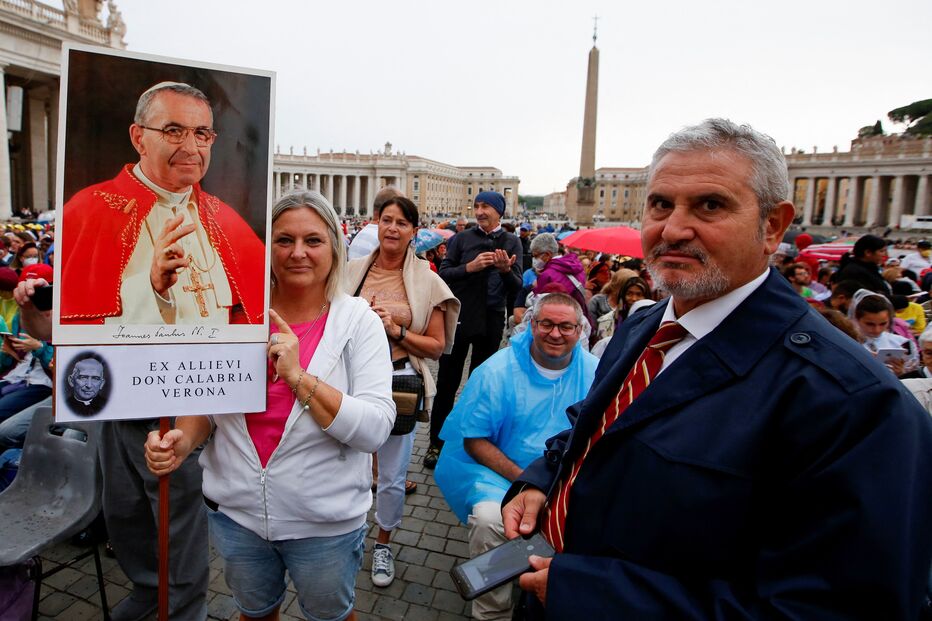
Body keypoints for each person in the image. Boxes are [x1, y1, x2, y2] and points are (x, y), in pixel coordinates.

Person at [502, 118, 932, 619]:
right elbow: (590, 428)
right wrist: (539, 480)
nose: (674, 228)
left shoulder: (858, 405)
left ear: (772, 226)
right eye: (661, 204)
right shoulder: (643, 326)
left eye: (710, 205)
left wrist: (592, 594)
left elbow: (839, 609)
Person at [146, 190, 395, 621]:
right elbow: (207, 406)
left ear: (334, 247)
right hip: (238, 515)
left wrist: (299, 379)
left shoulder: (358, 320)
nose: (298, 253)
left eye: (313, 241)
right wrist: (181, 442)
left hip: (324, 523)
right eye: (284, 240)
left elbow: (374, 430)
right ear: (266, 247)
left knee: (331, 617)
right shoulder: (233, 314)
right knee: (254, 613)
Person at [435, 293, 597, 620]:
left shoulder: (597, 373)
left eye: (566, 326)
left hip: (566, 477)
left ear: (581, 330)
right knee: (490, 519)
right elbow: (474, 441)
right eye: (546, 324)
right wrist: (526, 482)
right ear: (531, 324)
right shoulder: (497, 370)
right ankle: (493, 612)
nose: (555, 333)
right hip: (502, 476)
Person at [59, 81, 265, 325]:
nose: (190, 148)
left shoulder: (226, 219)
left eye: (201, 133)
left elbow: (250, 317)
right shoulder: (86, 211)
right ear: (139, 139)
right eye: (173, 131)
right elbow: (67, 328)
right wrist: (153, 285)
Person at [344, 193, 459, 588]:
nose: (392, 228)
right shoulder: (352, 270)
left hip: (398, 381)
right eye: (386, 219)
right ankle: (348, 533)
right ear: (377, 222)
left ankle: (383, 543)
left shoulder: (428, 279)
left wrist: (396, 331)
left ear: (414, 231)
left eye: (402, 223)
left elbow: (438, 347)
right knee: (349, 465)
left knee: (391, 475)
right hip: (350, 380)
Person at [427, 191, 522, 467]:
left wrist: (506, 271)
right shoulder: (461, 239)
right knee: (447, 383)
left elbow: (517, 288)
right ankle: (436, 442)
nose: (480, 211)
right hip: (461, 318)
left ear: (499, 212)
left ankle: (471, 444)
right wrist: (469, 267)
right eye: (477, 206)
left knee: (481, 385)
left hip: (492, 320)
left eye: (487, 207)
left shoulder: (511, 241)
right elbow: (443, 275)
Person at [849, 289, 919, 377]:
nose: (877, 329)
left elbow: (913, 376)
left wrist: (901, 373)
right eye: (870, 324)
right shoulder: (849, 342)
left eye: (883, 324)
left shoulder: (902, 343)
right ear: (857, 319)